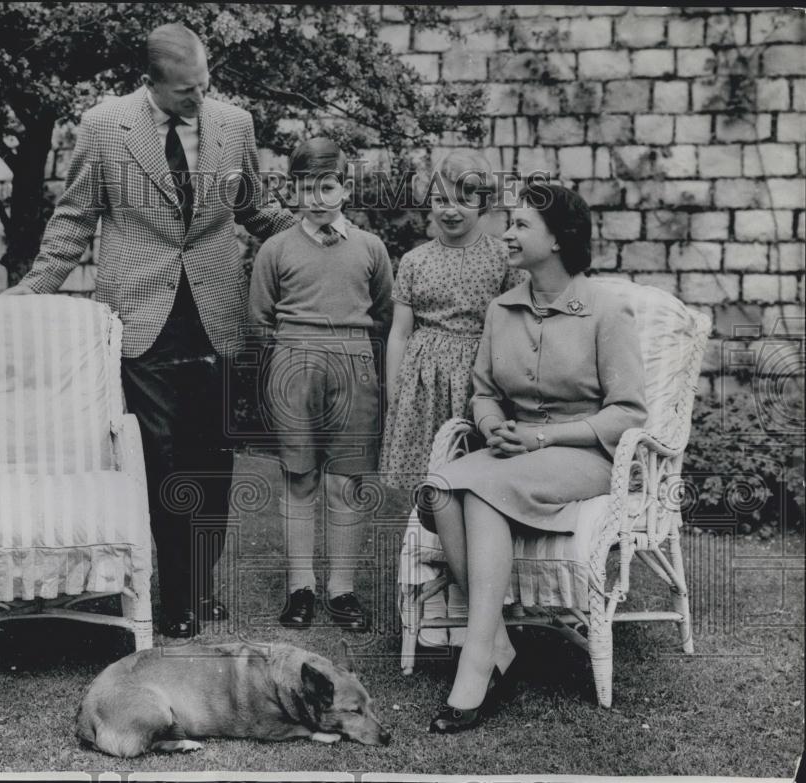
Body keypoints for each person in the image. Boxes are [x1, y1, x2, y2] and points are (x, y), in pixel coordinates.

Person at [4, 23, 296, 638]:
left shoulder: (235, 124)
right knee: (160, 463)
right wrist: (31, 290)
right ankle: (177, 599)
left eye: (205, 85)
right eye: (188, 92)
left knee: (213, 462)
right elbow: (76, 218)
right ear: (155, 83)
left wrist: (311, 233)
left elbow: (252, 207)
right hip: (140, 321)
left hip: (217, 315)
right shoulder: (106, 125)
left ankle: (200, 581)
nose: (200, 99)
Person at [418, 183, 647, 733]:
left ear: (559, 238)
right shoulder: (503, 309)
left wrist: (544, 439)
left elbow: (628, 414)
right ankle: (497, 639)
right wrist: (493, 425)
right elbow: (483, 393)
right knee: (441, 488)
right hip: (515, 451)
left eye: (520, 225)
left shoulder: (607, 313)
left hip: (585, 456)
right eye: (509, 223)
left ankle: (477, 667)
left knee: (483, 492)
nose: (506, 234)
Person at [248, 137, 394, 632]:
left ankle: (342, 589)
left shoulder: (371, 248)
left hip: (354, 364)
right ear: (293, 191)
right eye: (305, 188)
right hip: (294, 364)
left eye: (326, 187)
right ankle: (301, 586)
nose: (316, 198)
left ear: (345, 189)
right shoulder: (276, 248)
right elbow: (260, 318)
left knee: (346, 482)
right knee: (300, 477)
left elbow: (384, 312)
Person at [381, 149, 527, 491]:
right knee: (422, 479)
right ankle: (423, 543)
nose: (450, 210)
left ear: (485, 203)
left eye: (463, 199)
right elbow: (399, 334)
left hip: (478, 380)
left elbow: (514, 329)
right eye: (440, 199)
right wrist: (395, 392)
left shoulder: (502, 259)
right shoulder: (415, 260)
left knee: (473, 474)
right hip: (422, 381)